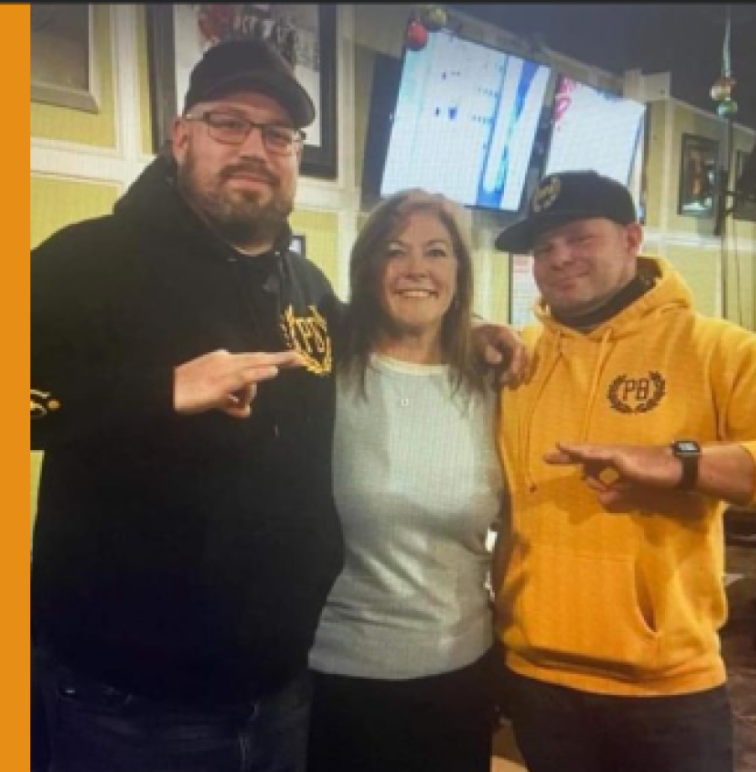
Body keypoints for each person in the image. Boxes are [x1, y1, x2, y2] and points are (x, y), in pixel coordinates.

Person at [30, 39, 526, 772]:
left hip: (283, 691)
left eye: (277, 135)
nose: (253, 149)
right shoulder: (89, 261)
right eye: (228, 123)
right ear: (181, 135)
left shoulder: (303, 284)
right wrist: (157, 391)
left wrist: (470, 332)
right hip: (134, 704)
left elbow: (386, 325)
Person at [492, 170, 756, 772]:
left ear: (632, 237)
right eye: (543, 248)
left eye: (579, 238)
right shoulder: (518, 359)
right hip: (537, 679)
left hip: (668, 690)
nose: (559, 259)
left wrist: (682, 464)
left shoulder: (716, 350)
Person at [307, 190, 504, 772]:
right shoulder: (324, 374)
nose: (418, 269)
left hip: (463, 674)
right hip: (340, 677)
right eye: (396, 252)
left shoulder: (494, 382)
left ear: (459, 272)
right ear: (368, 268)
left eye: (438, 252)